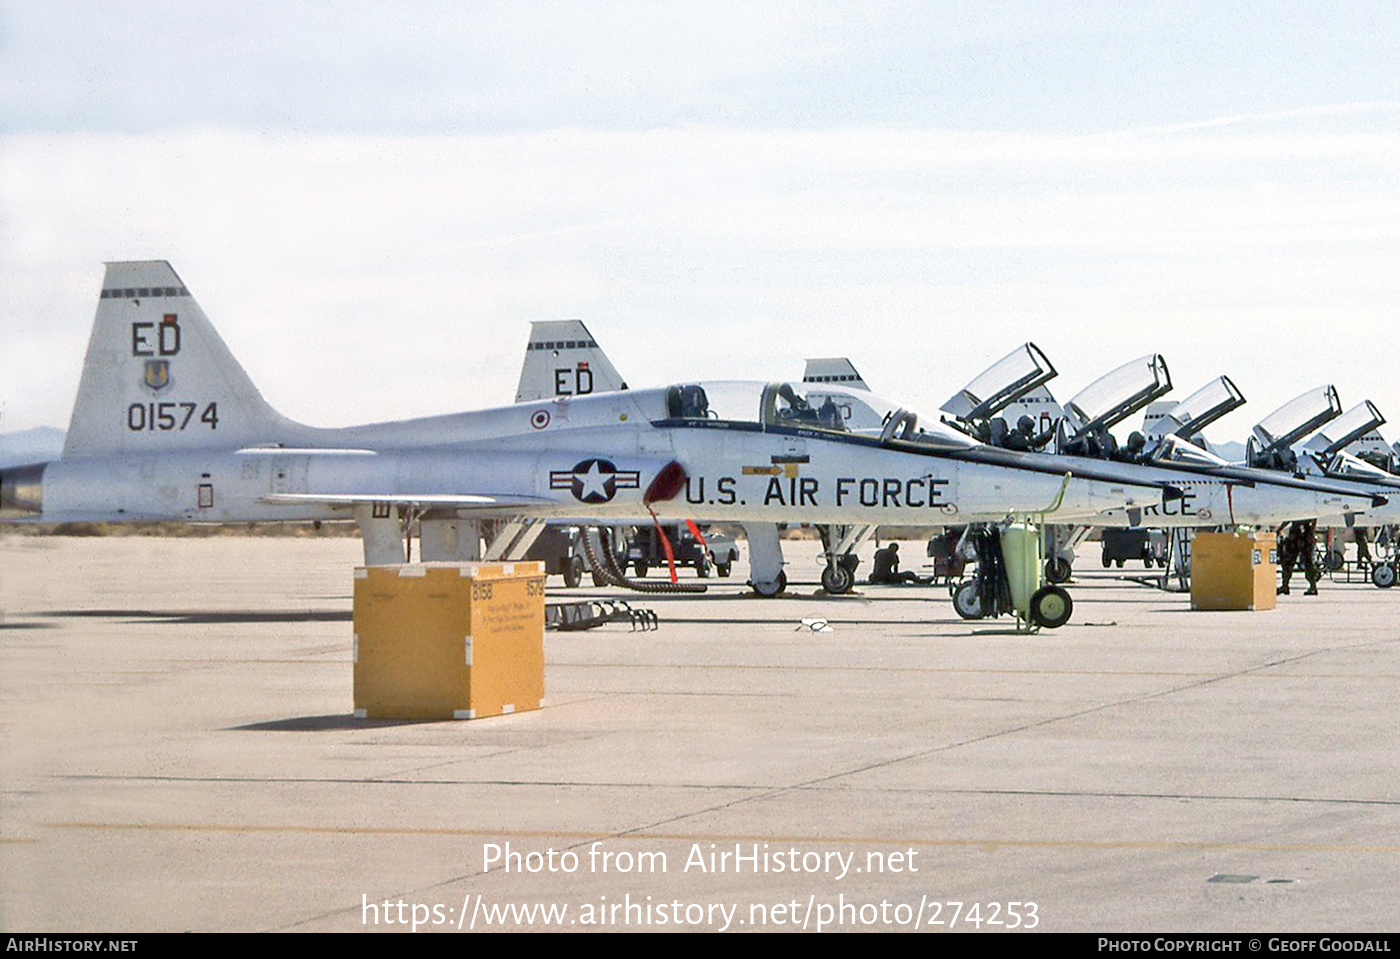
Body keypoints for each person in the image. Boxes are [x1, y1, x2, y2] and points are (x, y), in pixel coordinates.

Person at [1278, 520, 1320, 595]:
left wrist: (1280, 529)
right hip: (1298, 534)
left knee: (1307, 562)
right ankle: (1285, 586)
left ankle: (1313, 586)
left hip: (1303, 534)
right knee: (1288, 562)